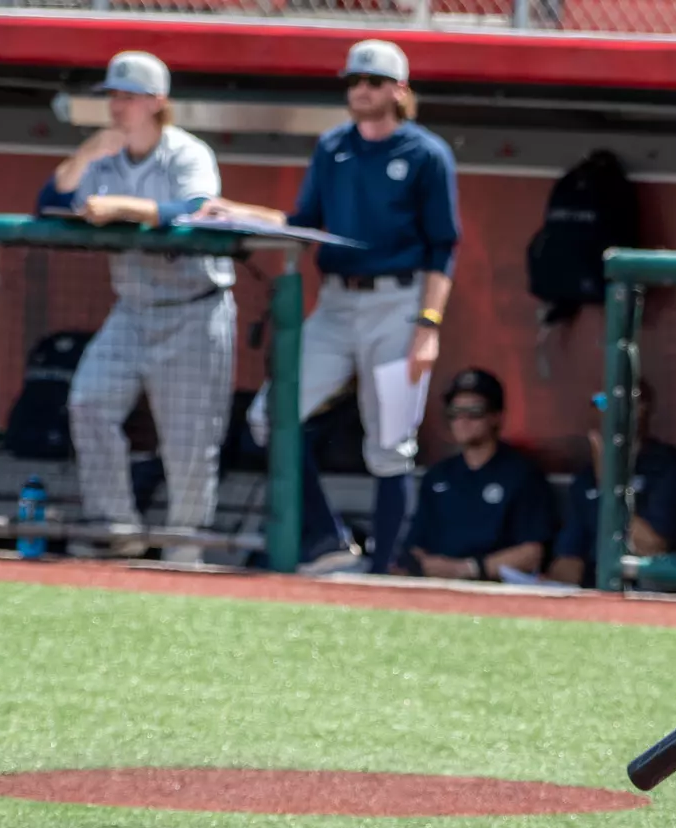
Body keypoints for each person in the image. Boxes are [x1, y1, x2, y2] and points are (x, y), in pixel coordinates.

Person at [202, 39, 460, 574]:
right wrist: (237, 212)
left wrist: (429, 325)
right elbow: (304, 220)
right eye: (352, 82)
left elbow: (444, 246)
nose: (359, 91)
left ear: (398, 90)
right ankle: (326, 539)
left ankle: (382, 573)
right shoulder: (332, 146)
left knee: (390, 443)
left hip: (401, 302)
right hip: (339, 303)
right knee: (269, 417)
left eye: (370, 82)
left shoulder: (426, 153)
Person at [44, 51, 234, 562]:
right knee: (87, 402)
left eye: (127, 98)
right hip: (132, 309)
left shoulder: (184, 152)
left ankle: (184, 551)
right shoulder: (105, 157)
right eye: (112, 97)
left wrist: (125, 209)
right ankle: (117, 526)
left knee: (188, 440)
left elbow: (198, 210)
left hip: (193, 307)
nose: (117, 107)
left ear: (156, 102)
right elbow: (49, 200)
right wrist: (85, 154)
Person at [394, 369, 553, 581]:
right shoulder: (438, 475)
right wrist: (424, 566)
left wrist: (468, 569)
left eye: (475, 411)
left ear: (496, 416)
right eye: (455, 412)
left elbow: (532, 553)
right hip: (436, 585)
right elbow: (415, 545)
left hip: (496, 587)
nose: (463, 420)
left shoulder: (522, 473)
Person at [548, 380, 676, 587]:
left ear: (641, 409)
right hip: (595, 589)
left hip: (649, 589)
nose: (604, 410)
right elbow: (568, 557)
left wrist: (607, 480)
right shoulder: (586, 477)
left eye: (613, 401)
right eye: (599, 401)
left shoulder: (671, 470)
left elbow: (650, 547)